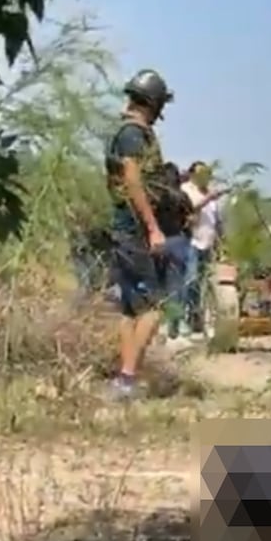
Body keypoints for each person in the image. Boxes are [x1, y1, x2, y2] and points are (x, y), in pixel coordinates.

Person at [104, 68, 174, 399]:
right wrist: (153, 227)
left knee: (130, 309)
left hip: (125, 230)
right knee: (154, 307)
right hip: (134, 231)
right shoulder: (133, 134)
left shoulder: (126, 132)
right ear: (153, 102)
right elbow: (133, 181)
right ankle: (128, 378)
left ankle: (124, 381)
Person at [180, 161, 227, 336]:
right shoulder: (186, 189)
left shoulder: (210, 192)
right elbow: (189, 209)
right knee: (190, 280)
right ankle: (184, 318)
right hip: (192, 241)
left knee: (203, 283)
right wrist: (209, 198)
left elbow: (217, 220)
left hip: (208, 243)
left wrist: (223, 240)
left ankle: (196, 319)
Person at [156, 161, 195, 346]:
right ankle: (174, 328)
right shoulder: (182, 196)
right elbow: (192, 218)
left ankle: (159, 326)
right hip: (178, 240)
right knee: (176, 287)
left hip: (158, 241)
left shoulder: (156, 195)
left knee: (159, 284)